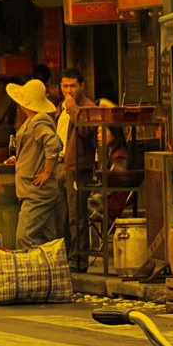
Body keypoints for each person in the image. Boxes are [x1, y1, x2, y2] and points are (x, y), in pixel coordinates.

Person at [6, 79, 63, 251]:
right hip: (33, 189)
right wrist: (20, 160)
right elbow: (37, 149)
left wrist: (46, 172)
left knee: (25, 237)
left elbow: (53, 144)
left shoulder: (39, 121)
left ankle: (31, 266)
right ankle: (50, 267)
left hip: (36, 190)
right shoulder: (33, 121)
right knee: (46, 239)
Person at [58, 68, 98, 271]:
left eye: (73, 86)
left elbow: (87, 131)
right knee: (63, 217)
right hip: (62, 165)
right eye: (65, 86)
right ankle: (66, 257)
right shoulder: (62, 106)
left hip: (79, 167)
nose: (69, 90)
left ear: (82, 86)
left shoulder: (87, 107)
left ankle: (79, 261)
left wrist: (74, 109)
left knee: (78, 216)